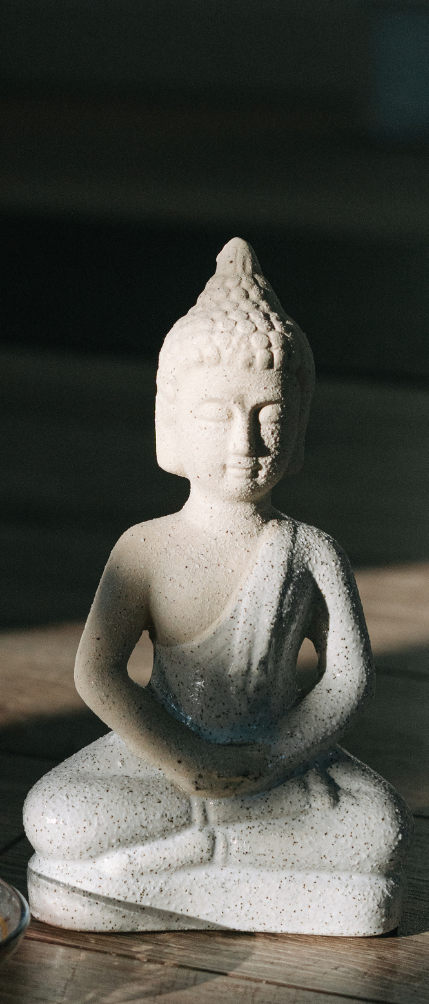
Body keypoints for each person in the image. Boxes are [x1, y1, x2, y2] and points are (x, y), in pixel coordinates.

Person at [22, 239, 408, 936]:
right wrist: (188, 758)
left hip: (279, 759)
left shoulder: (310, 551)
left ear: (298, 429)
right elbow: (98, 672)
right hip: (167, 756)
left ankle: (182, 861)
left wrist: (275, 756)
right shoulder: (145, 547)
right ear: (169, 423)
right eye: (217, 416)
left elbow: (346, 679)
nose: (246, 443)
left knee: (379, 828)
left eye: (269, 416)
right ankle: (228, 859)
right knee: (56, 815)